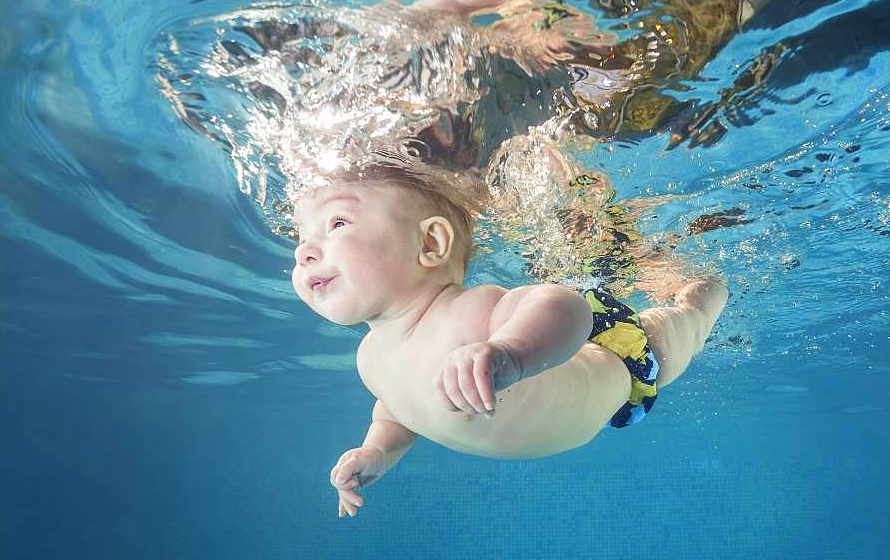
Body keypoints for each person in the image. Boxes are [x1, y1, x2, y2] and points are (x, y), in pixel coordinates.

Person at [290, 156, 727, 517]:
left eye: (338, 223)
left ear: (431, 243)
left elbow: (567, 306)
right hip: (582, 399)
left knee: (685, 325)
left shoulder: (468, 312)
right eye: (302, 237)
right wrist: (378, 453)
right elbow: (398, 411)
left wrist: (510, 353)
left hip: (618, 355)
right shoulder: (371, 359)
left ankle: (704, 286)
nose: (303, 251)